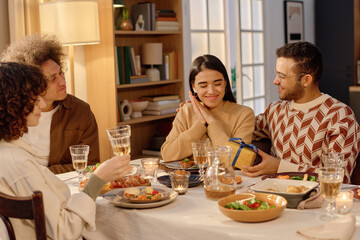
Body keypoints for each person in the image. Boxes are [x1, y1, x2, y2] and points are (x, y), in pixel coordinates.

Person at [0, 62, 133, 239]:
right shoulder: (19, 163)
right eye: (33, 98)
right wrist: (98, 179)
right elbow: (64, 230)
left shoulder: (9, 152)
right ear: (14, 104)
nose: (41, 103)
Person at [241, 41, 360, 183]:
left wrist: (280, 167)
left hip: (319, 202)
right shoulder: (275, 111)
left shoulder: (339, 116)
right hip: (274, 198)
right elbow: (240, 128)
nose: (275, 81)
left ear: (306, 80)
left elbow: (338, 176)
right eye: (276, 74)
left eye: (282, 76)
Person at [0, 34, 100, 174]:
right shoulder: (13, 114)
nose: (62, 81)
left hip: (62, 186)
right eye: (52, 78)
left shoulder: (80, 111)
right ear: (33, 82)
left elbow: (91, 166)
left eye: (61, 73)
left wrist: (42, 173)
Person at [161, 54, 255, 161]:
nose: (211, 91)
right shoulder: (186, 111)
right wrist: (199, 125)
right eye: (203, 86)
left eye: (218, 83)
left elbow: (241, 159)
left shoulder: (244, 114)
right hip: (190, 177)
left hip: (228, 177)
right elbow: (167, 155)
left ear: (225, 83)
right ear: (193, 87)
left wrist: (212, 121)